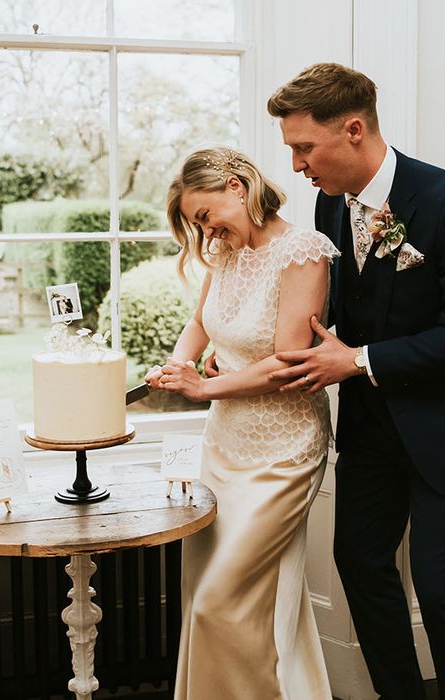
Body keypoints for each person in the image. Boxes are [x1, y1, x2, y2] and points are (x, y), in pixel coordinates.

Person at [262, 63, 445, 700]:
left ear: (353, 130)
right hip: (373, 432)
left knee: (441, 588)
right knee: (361, 566)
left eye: (303, 147)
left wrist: (358, 362)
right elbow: (337, 309)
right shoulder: (328, 202)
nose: (296, 166)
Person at [145, 146, 338, 700]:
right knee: (210, 592)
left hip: (282, 452)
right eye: (194, 223)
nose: (205, 230)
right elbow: (199, 323)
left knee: (220, 600)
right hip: (223, 448)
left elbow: (287, 363)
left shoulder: (302, 250)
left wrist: (204, 387)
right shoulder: (227, 252)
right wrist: (182, 362)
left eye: (205, 215)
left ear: (236, 186)